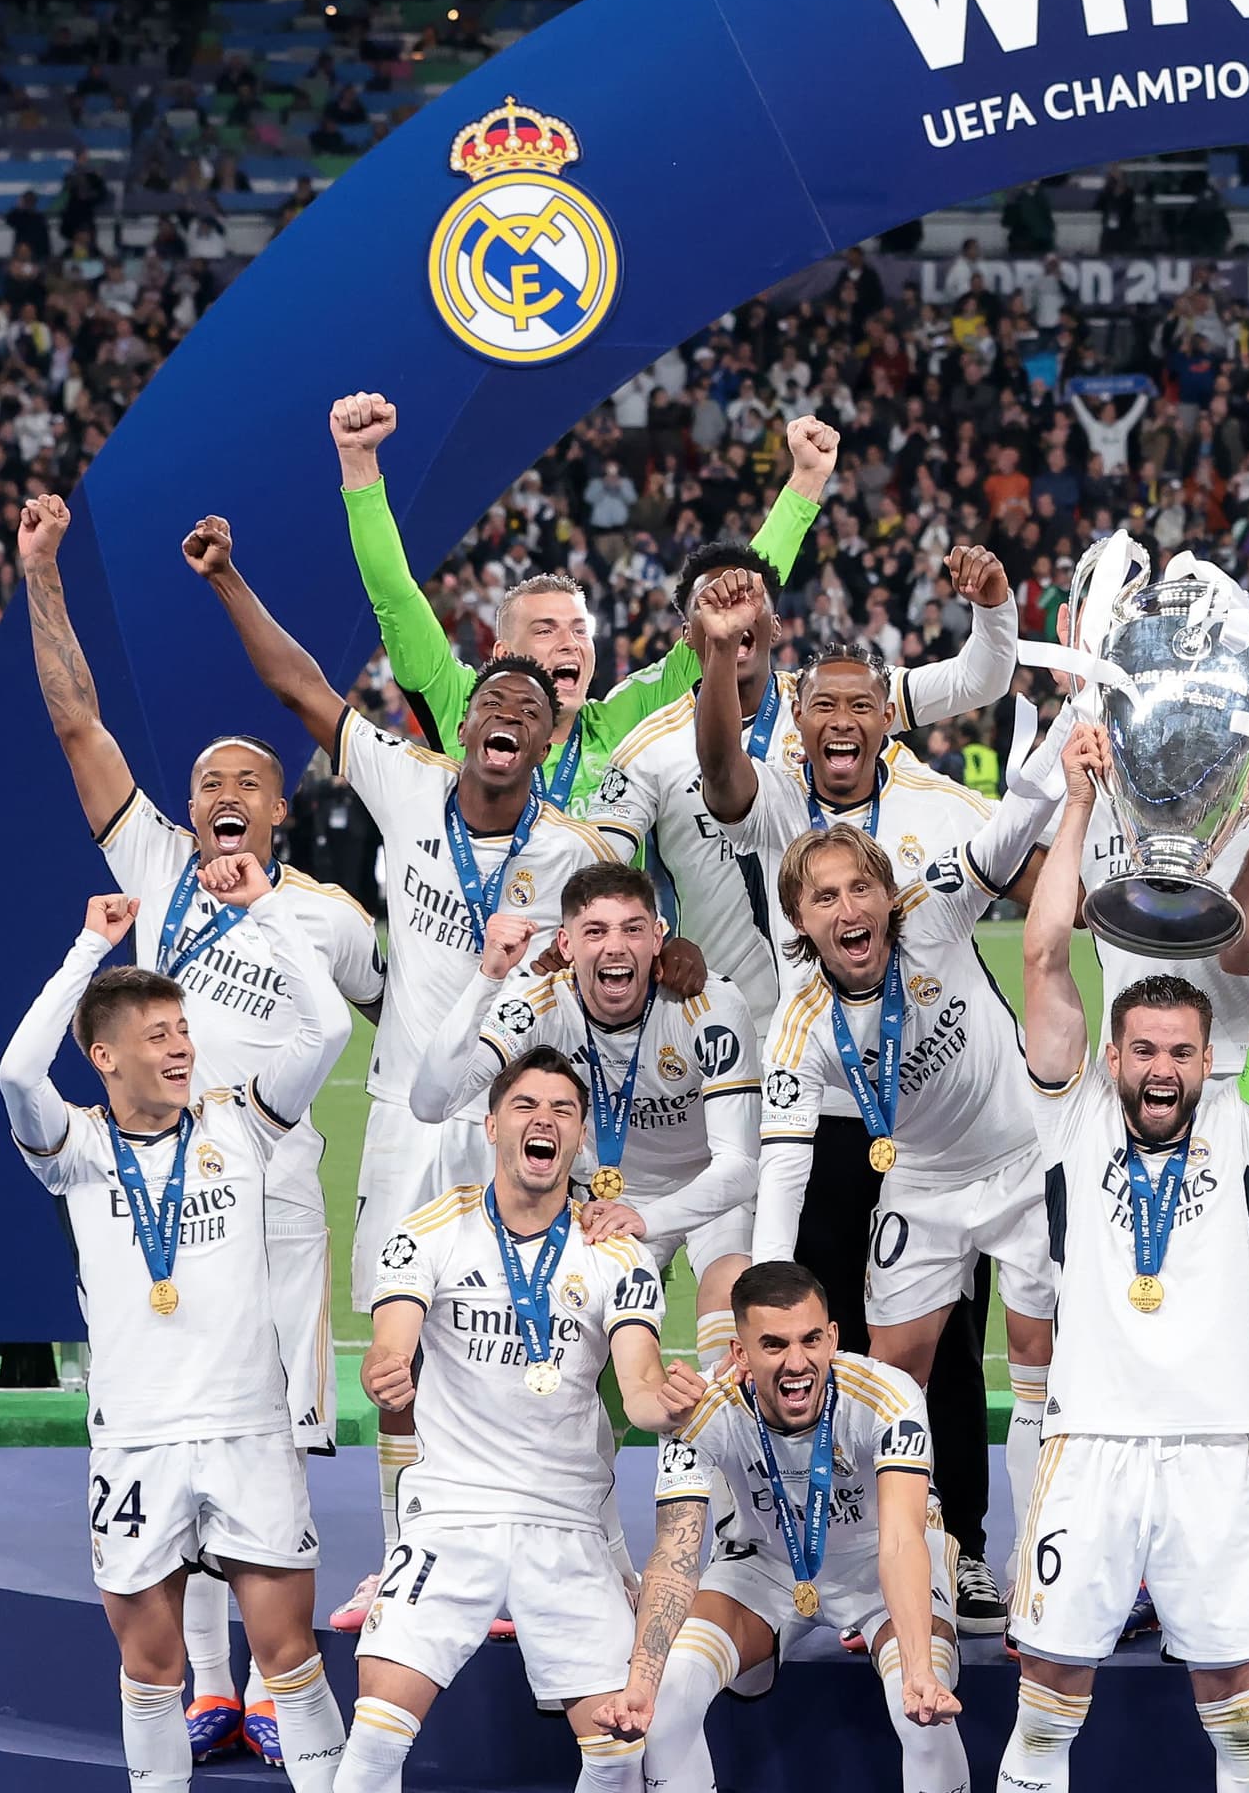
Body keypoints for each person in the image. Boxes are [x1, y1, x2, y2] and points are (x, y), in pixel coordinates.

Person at [946, 726, 1249, 1793]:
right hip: (1091, 1455)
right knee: (1047, 1703)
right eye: (1147, 1053)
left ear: (1198, 1062)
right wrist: (1070, 806)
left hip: (1210, 1464)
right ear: (1113, 1060)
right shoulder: (1071, 1121)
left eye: (1182, 1053)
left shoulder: (1244, 1126)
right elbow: (1051, 953)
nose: (1165, 1071)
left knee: (1242, 1710)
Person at [190, 511, 626, 1627]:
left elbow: (616, 979)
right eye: (490, 704)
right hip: (405, 1117)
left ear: (542, 744)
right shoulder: (403, 778)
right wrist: (234, 578)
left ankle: (571, 1548)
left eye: (529, 714)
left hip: (521, 1117)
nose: (506, 720)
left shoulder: (576, 854)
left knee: (542, 1334)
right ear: (464, 722)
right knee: (402, 1337)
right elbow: (298, 686)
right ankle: (406, 1560)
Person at [19, 493, 385, 1752]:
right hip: (156, 1194)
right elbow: (77, 722)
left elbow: (406, 1022)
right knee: (181, 1407)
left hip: (275, 1189)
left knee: (270, 1435)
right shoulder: (160, 868)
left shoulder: (334, 917)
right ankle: (217, 1682)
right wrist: (43, 574)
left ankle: (281, 1680)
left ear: (281, 809)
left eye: (247, 780)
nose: (222, 791)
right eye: (204, 781)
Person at [0, 894, 348, 1793]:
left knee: (288, 1660)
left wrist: (268, 920)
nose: (182, 1046)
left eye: (184, 1030)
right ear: (104, 1057)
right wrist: (89, 946)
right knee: (149, 1669)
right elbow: (17, 1072)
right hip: (137, 1446)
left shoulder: (242, 1122)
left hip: (248, 1431)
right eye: (158, 1037)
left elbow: (329, 1026)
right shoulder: (77, 1150)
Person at [305, 1045, 689, 1793]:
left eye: (564, 1107)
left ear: (578, 1136)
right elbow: (390, 1342)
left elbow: (637, 1384)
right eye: (526, 1104)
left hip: (568, 1523)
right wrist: (385, 1371)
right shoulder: (430, 1230)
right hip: (453, 1519)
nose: (543, 1120)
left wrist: (664, 1400)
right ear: (493, 1125)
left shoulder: (617, 1252)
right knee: (379, 1730)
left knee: (617, 1743)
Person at [743, 745, 1061, 1614]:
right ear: (799, 924)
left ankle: (1038, 1565)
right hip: (920, 1184)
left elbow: (1006, 837)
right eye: (824, 898)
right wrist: (766, 1294)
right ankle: (913, 1563)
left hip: (1023, 1163)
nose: (849, 908)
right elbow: (783, 1164)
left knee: (1038, 1358)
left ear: (888, 895)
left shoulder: (935, 910)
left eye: (860, 888)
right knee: (890, 1377)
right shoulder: (798, 1026)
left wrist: (1056, 757)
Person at [613, 1260, 970, 1793]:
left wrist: (923, 1672)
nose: (798, 1362)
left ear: (834, 1335)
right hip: (765, 1567)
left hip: (880, 1568)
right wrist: (641, 1682)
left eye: (812, 1339)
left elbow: (904, 1536)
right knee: (675, 1691)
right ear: (738, 1353)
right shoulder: (702, 1411)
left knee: (924, 1714)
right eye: (774, 1345)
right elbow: (679, 1549)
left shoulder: (886, 1395)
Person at [331, 386, 827, 808]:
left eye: (579, 630)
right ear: (503, 655)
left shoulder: (627, 718)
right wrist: (359, 463)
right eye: (545, 630)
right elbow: (395, 594)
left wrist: (806, 481)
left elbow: (735, 600)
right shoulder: (461, 706)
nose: (570, 644)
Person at [408, 861, 757, 1338]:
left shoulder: (708, 1007)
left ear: (658, 938)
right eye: (594, 931)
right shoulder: (537, 1002)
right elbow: (432, 1103)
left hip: (708, 1192)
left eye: (633, 929)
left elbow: (739, 1165)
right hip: (600, 1198)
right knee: (573, 1329)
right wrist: (489, 979)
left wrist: (646, 1218)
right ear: (566, 945)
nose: (614, 946)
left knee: (738, 1302)